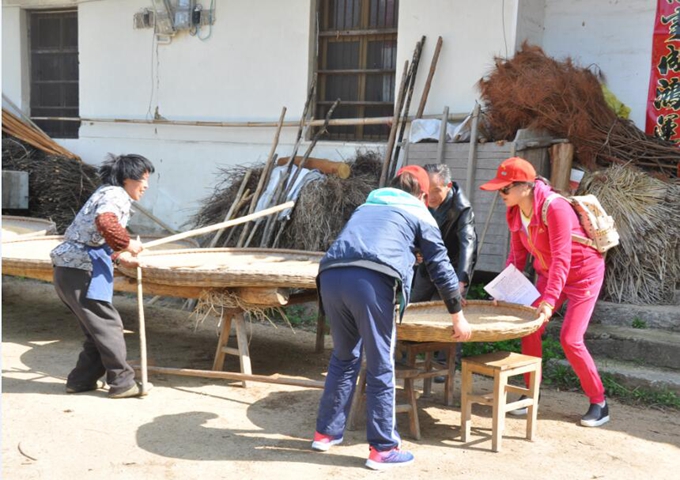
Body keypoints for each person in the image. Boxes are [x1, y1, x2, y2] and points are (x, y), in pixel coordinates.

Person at [311, 165, 472, 470]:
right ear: (422, 195)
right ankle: (383, 449)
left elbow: (368, 242)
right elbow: (441, 266)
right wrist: (457, 316)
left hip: (330, 275)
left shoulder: (367, 206)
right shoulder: (419, 212)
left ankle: (325, 433)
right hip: (370, 282)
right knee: (381, 363)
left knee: (344, 356)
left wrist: (410, 252)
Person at [479, 156, 609, 427]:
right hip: (550, 275)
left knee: (570, 339)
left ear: (525, 186)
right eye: (499, 189)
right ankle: (531, 395)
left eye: (504, 188)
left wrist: (548, 302)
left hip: (583, 275)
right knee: (531, 328)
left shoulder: (556, 207)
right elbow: (516, 258)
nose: (500, 194)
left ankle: (599, 402)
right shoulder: (515, 211)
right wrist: (502, 291)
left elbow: (562, 258)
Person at [50, 153, 154, 399]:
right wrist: (127, 243)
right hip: (80, 270)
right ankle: (122, 383)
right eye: (144, 179)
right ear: (128, 178)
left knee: (96, 330)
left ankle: (81, 381)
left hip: (70, 270)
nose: (146, 186)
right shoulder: (115, 194)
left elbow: (97, 239)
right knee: (109, 327)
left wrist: (120, 257)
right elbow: (106, 223)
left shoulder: (105, 192)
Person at [410, 164, 478, 379]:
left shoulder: (462, 208)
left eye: (436, 191)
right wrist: (415, 251)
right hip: (427, 265)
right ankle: (404, 355)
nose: (430, 196)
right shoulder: (419, 199)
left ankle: (444, 364)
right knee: (412, 306)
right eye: (427, 190)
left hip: (453, 267)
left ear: (448, 186)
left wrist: (461, 281)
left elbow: (468, 244)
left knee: (450, 312)